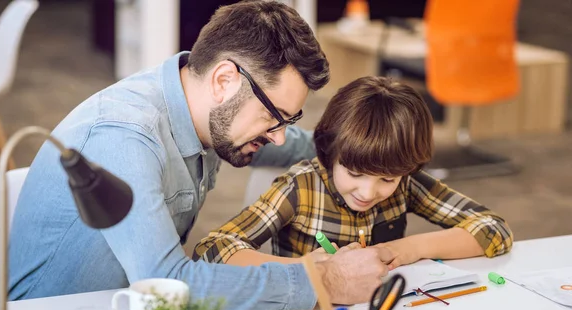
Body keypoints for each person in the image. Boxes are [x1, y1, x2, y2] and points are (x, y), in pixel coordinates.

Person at [8, 0, 392, 310]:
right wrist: (325, 281)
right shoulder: (125, 137)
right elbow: (169, 288)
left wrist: (371, 154)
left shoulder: (206, 108)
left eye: (287, 120)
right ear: (224, 81)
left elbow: (293, 144)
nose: (278, 134)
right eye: (273, 116)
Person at [193, 76, 514, 269]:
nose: (368, 192)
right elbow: (213, 249)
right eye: (356, 173)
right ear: (331, 154)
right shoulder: (301, 187)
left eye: (386, 179)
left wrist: (406, 249)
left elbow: (493, 229)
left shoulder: (405, 183)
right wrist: (304, 271)